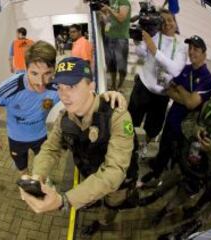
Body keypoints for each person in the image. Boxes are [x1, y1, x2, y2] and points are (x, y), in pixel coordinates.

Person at [19, 57, 134, 236]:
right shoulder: (65, 117)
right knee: (91, 197)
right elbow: (51, 148)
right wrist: (38, 176)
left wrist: (64, 200)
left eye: (71, 86)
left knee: (111, 205)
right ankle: (92, 203)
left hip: (116, 185)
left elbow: (114, 172)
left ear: (91, 86)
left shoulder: (117, 116)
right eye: (60, 87)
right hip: (88, 175)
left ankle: (102, 223)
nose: (64, 95)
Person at [0, 42, 126, 176]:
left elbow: (82, 93)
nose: (41, 82)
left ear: (54, 69)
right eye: (34, 73)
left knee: (42, 162)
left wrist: (105, 97)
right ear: (26, 69)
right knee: (22, 169)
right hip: (16, 138)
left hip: (40, 135)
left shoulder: (58, 86)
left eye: (47, 73)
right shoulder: (9, 88)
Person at [144, 75, 211, 225]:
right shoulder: (207, 107)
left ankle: (163, 213)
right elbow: (187, 122)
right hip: (185, 161)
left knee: (177, 199)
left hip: (200, 176)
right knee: (166, 182)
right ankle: (151, 198)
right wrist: (195, 130)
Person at [140, 35, 211, 185]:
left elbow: (191, 104)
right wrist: (185, 96)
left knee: (176, 159)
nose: (192, 52)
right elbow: (169, 91)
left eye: (196, 49)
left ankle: (163, 183)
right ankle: (155, 174)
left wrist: (180, 89)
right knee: (163, 149)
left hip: (186, 130)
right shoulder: (186, 69)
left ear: (204, 54)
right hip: (172, 120)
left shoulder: (208, 80)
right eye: (190, 48)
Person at [128, 8, 187, 143]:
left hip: (162, 95)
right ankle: (127, 143)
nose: (167, 23)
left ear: (176, 23)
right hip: (143, 87)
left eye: (170, 20)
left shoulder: (181, 47)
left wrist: (154, 50)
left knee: (153, 128)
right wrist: (138, 41)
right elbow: (141, 53)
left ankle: (144, 146)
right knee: (130, 120)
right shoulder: (153, 35)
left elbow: (175, 70)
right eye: (163, 20)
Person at [100, 0, 131, 90]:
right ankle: (113, 85)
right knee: (111, 64)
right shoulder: (114, 2)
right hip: (109, 37)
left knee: (121, 65)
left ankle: (120, 86)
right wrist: (103, 17)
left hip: (120, 38)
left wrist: (108, 9)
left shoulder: (124, 2)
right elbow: (110, 21)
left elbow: (121, 18)